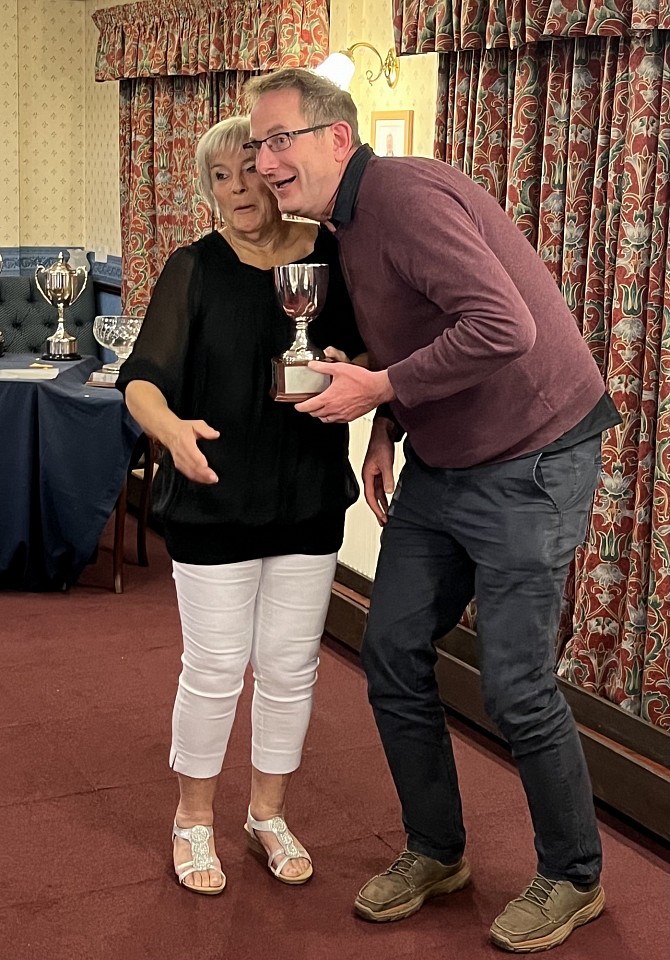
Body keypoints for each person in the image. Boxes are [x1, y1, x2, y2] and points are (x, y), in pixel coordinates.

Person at [244, 69, 621, 951]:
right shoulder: (344, 224)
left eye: (279, 140)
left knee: (516, 685)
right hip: (444, 460)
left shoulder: (404, 197)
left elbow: (503, 326)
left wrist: (380, 388)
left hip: (535, 454)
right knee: (391, 650)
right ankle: (436, 849)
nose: (263, 162)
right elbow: (416, 331)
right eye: (257, 145)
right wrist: (388, 426)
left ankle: (575, 874)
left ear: (338, 138)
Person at [117, 115, 365, 896]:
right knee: (218, 667)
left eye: (247, 171)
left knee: (290, 668)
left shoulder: (330, 258)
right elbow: (141, 377)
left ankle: (266, 815)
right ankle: (192, 819)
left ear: (276, 171)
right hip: (214, 497)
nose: (235, 190)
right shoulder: (194, 266)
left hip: (307, 494)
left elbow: (371, 350)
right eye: (218, 179)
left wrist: (350, 372)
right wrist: (171, 432)